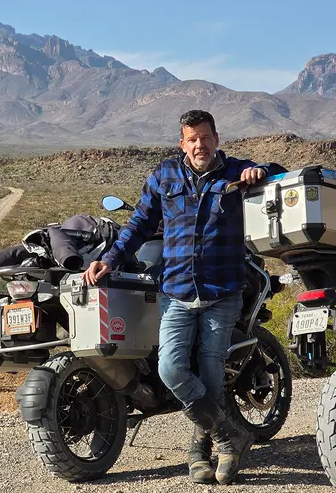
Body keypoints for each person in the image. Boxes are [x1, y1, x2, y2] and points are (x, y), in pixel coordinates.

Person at [83, 109, 281, 485]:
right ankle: (229, 436)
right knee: (171, 369)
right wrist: (109, 260)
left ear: (216, 138)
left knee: (210, 376)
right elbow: (139, 224)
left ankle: (199, 453)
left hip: (222, 291)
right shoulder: (164, 175)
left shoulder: (235, 172)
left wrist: (263, 170)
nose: (199, 145)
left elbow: (274, 172)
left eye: (205, 137)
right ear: (182, 143)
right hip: (175, 290)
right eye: (191, 139)